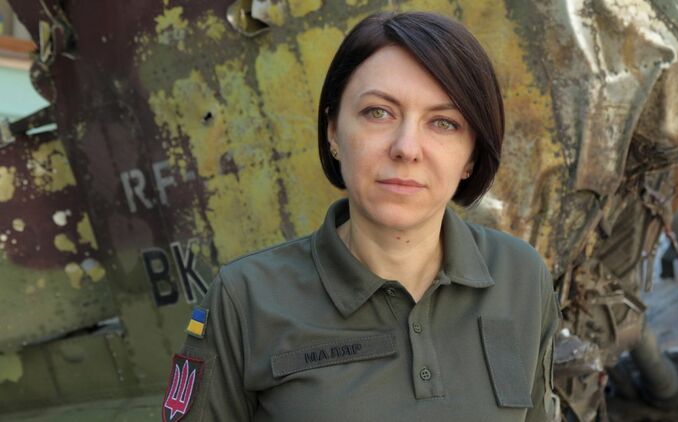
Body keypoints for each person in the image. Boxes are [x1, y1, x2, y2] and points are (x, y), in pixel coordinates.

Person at [161, 11, 559, 422]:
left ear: (472, 155)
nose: (407, 148)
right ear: (333, 130)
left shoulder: (521, 277)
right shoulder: (245, 299)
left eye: (444, 122)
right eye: (378, 113)